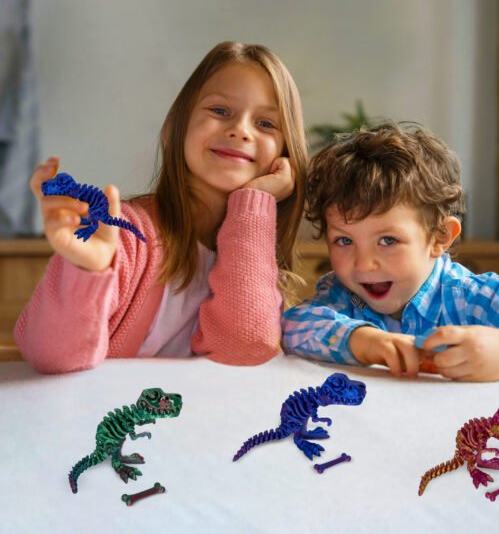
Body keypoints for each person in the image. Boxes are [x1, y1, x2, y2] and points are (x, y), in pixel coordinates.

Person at [16, 41, 308, 374]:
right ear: (174, 129)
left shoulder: (255, 258)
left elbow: (245, 348)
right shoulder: (124, 235)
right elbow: (50, 356)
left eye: (266, 124)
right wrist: (86, 271)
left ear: (285, 156)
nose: (240, 130)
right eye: (220, 111)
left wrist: (254, 203)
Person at [282, 121, 499, 382]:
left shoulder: (473, 296)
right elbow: (294, 326)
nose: (364, 265)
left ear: (440, 237)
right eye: (344, 241)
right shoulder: (342, 295)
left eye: (388, 240)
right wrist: (363, 341)